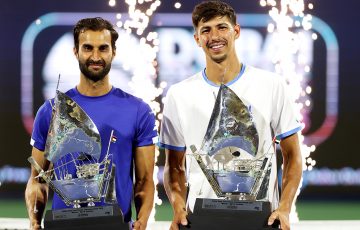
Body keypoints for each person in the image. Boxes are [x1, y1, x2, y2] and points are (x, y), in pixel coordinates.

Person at [160, 1, 303, 230]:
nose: (214, 36)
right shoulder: (179, 95)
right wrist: (178, 208)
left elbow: (293, 156)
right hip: (201, 220)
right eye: (206, 30)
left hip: (261, 219)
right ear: (197, 39)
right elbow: (174, 166)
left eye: (222, 27)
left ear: (236, 31)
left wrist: (284, 208)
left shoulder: (271, 85)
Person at [25, 17, 157, 230]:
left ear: (114, 52)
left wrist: (141, 222)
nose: (95, 56)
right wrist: (34, 222)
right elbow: (37, 180)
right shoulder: (51, 110)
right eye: (87, 48)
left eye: (103, 48)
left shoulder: (139, 111)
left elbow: (144, 182)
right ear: (75, 51)